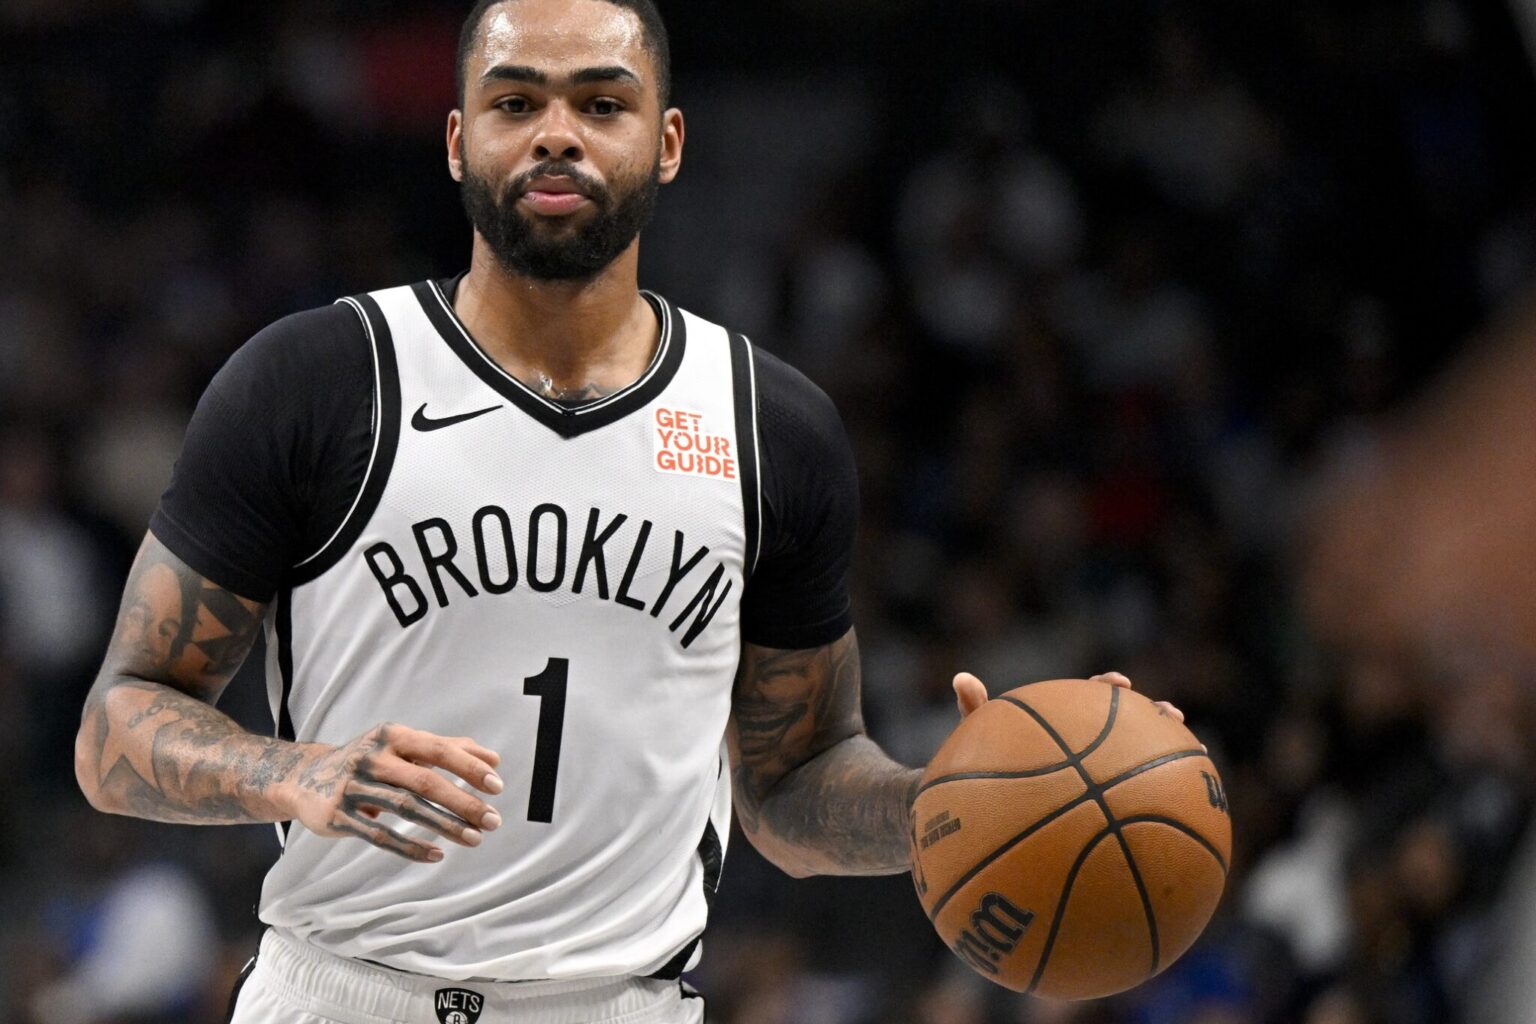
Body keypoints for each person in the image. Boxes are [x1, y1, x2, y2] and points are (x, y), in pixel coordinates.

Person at [71, 2, 1180, 1022]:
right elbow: (116, 730)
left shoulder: (773, 427)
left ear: (668, 142)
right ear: (458, 140)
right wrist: (289, 771)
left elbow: (792, 783)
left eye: (603, 103)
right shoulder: (316, 379)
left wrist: (964, 793)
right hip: (346, 989)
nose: (558, 133)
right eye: (517, 101)